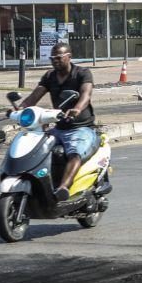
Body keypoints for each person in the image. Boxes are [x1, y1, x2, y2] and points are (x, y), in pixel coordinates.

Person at [15, 42, 97, 201]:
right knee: (36, 149)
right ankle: (37, 185)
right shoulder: (49, 76)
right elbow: (34, 97)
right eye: (52, 58)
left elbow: (86, 95)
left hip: (81, 127)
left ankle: (63, 187)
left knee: (75, 153)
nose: (55, 61)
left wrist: (77, 109)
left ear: (69, 57)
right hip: (59, 128)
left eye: (59, 58)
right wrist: (20, 109)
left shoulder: (82, 73)